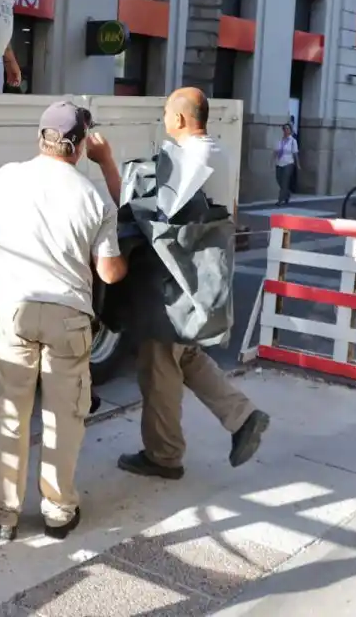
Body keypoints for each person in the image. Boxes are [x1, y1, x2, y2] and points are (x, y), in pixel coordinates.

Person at [0, 101, 127, 541]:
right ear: (80, 147)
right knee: (64, 416)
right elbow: (109, 272)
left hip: (13, 311)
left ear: (40, 138)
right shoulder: (94, 197)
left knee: (8, 413)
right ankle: (59, 513)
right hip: (69, 318)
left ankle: (2, 514)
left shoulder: (6, 177)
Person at [118, 88, 270, 481]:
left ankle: (164, 455)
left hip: (173, 281)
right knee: (184, 355)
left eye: (167, 112)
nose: (164, 119)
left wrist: (107, 163)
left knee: (160, 365)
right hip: (198, 276)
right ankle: (242, 416)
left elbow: (153, 214)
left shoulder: (187, 159)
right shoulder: (219, 152)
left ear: (182, 119)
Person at [274, 123, 299, 206]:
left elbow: (295, 153)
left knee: (285, 181)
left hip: (288, 163)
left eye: (288, 129)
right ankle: (287, 193)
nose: (286, 130)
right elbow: (276, 152)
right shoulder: (280, 141)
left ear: (290, 130)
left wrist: (297, 164)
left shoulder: (293, 141)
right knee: (279, 179)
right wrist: (272, 160)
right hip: (279, 163)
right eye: (285, 129)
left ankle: (280, 200)